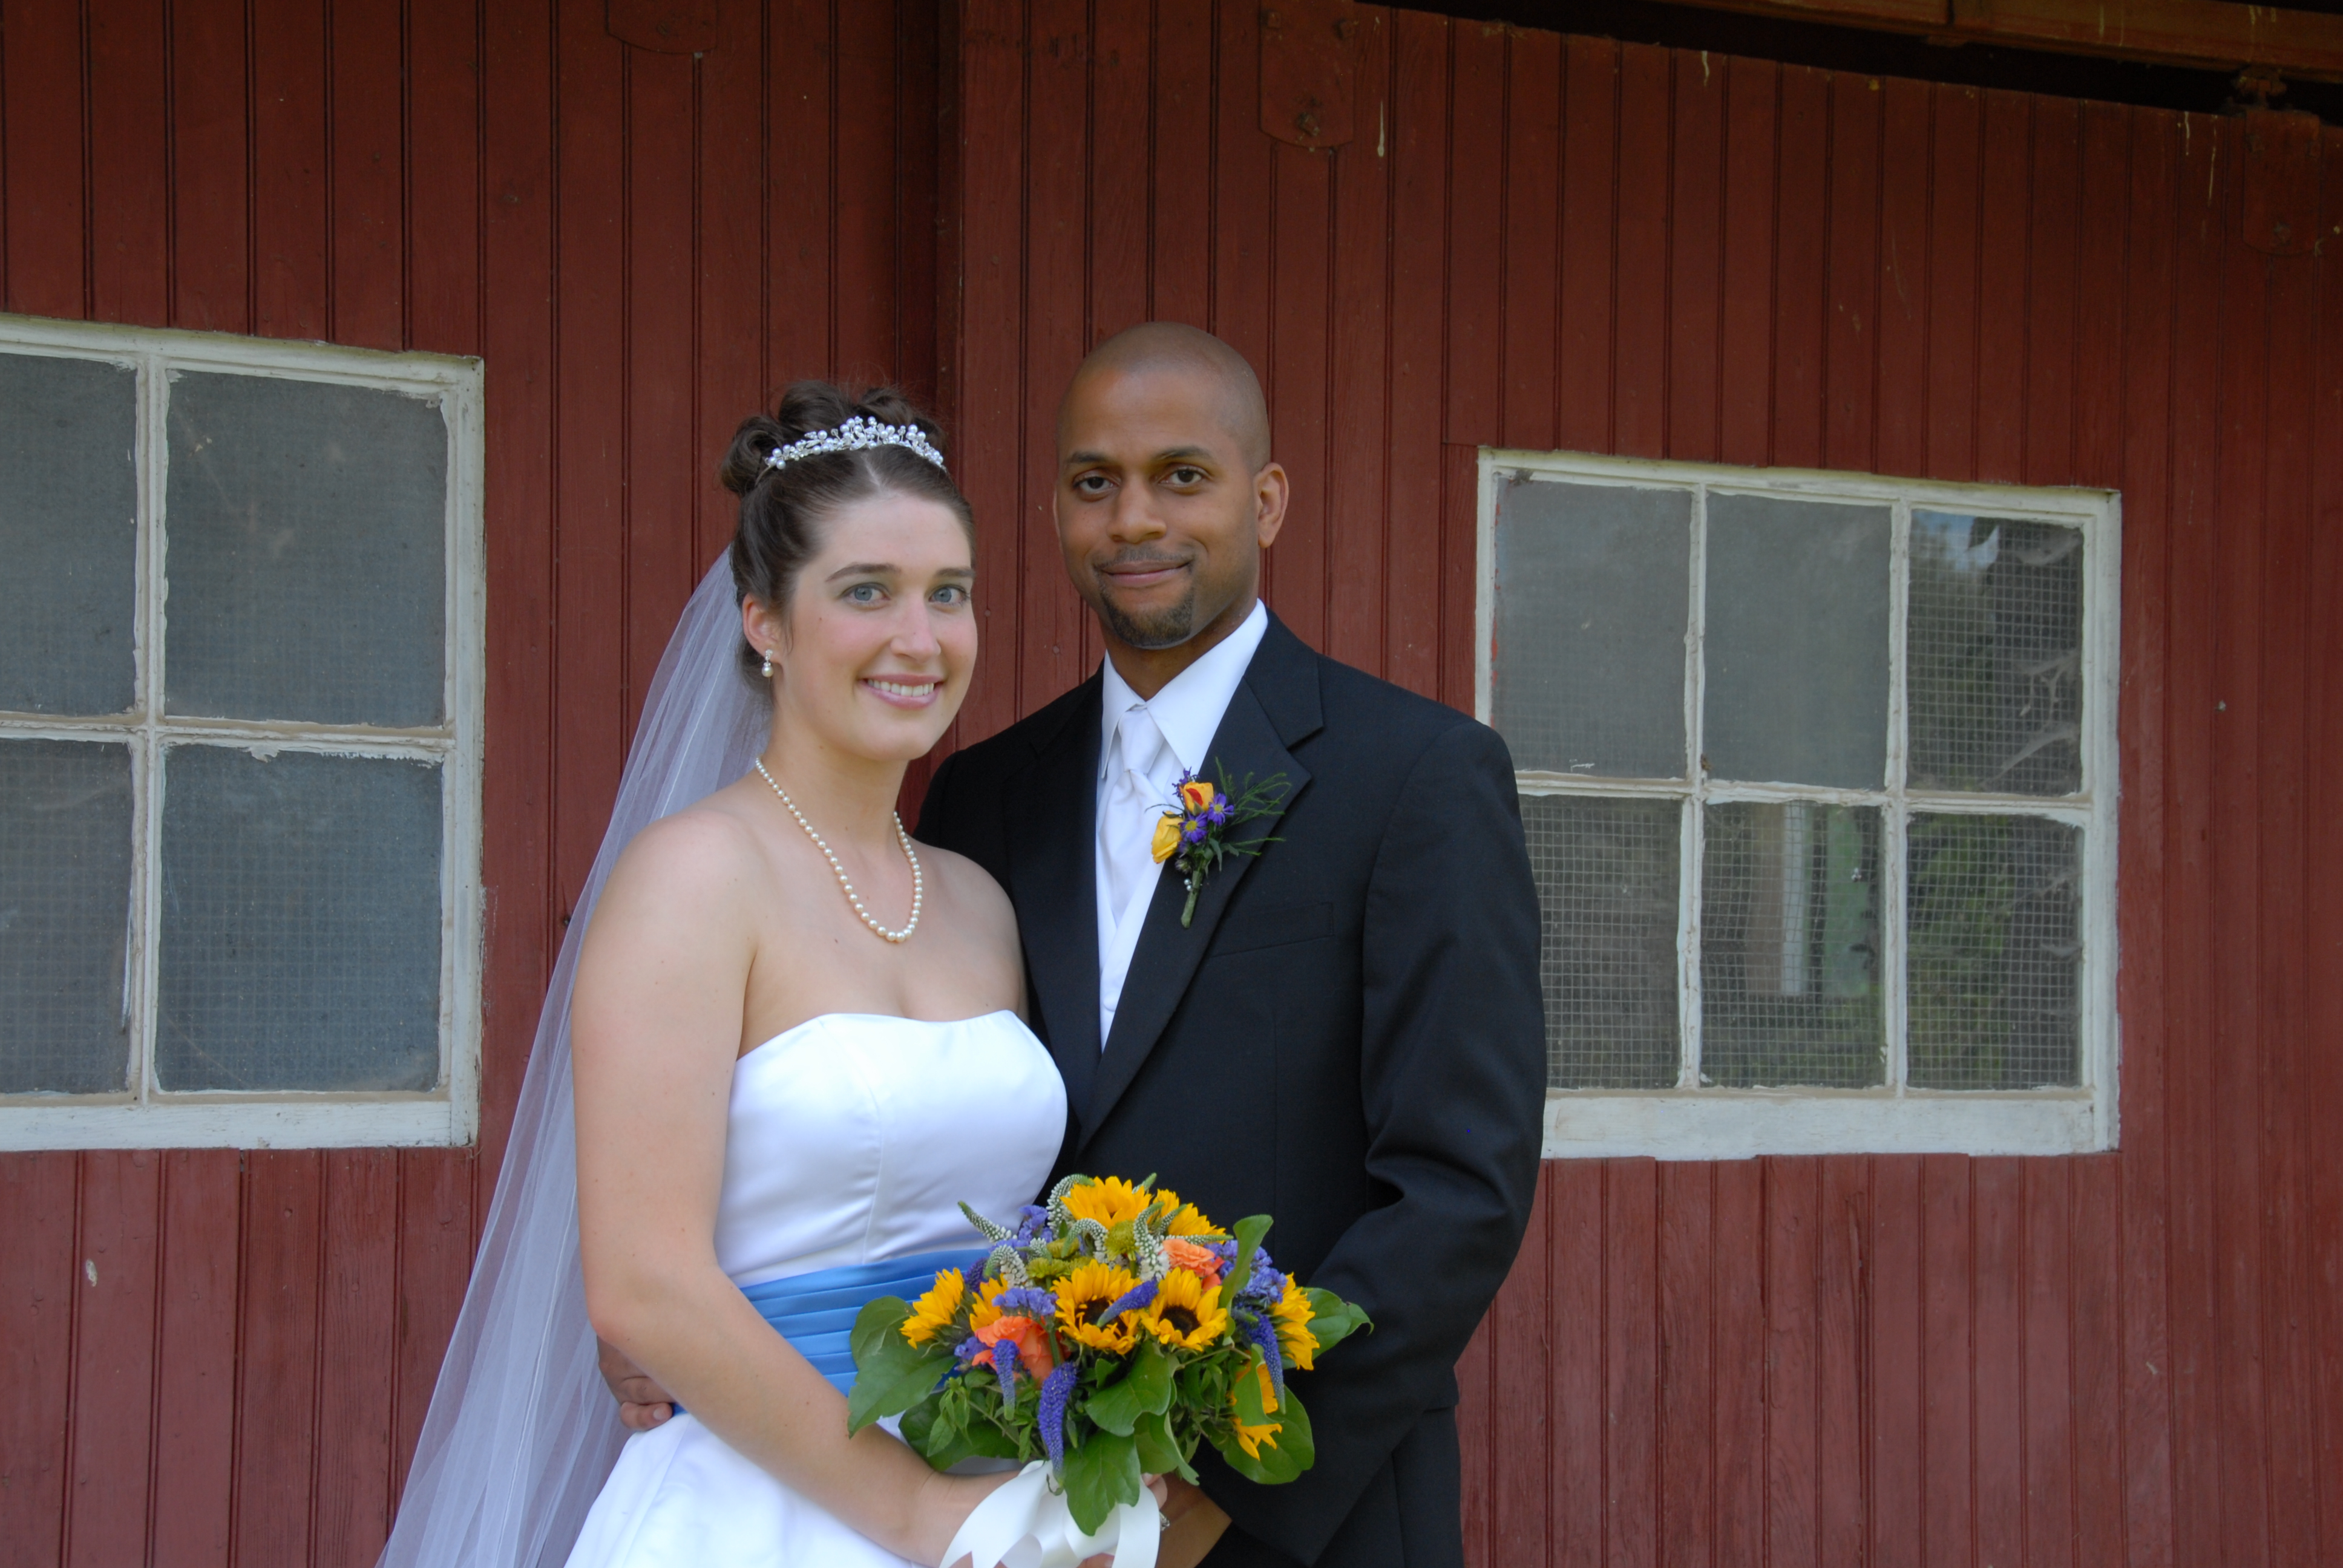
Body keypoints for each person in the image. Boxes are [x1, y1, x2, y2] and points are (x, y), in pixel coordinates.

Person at [611, 323, 1549, 1567]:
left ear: (1267, 501)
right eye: (1095, 482)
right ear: (1056, 512)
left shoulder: (1416, 777)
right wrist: (689, 1322)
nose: (1134, 519)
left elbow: (1459, 1190)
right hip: (1002, 1495)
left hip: (1304, 1510)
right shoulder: (986, 799)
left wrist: (1224, 1487)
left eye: (1183, 476)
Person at [381, 383, 1094, 1567]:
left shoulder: (977, 901)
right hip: (762, 1505)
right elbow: (644, 1286)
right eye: (865, 592)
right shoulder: (694, 879)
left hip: (995, 1483)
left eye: (948, 593)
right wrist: (918, 1516)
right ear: (764, 620)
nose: (920, 639)